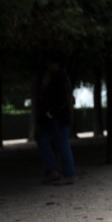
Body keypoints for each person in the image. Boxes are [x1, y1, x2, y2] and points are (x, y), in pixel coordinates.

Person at [36, 51, 77, 185]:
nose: (49, 65)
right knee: (45, 140)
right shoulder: (59, 77)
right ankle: (53, 171)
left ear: (57, 64)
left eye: (51, 63)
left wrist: (49, 114)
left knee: (60, 143)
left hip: (58, 117)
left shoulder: (59, 78)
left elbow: (60, 100)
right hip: (56, 116)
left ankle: (67, 173)